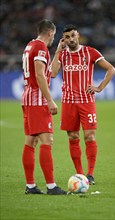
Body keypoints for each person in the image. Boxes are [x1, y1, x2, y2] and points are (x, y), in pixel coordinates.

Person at [51, 24, 115, 185]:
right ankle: (80, 174)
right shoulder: (62, 55)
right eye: (67, 37)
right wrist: (58, 50)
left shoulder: (90, 52)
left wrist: (100, 87)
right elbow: (52, 74)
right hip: (68, 102)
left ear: (78, 35)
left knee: (89, 136)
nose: (71, 39)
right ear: (63, 39)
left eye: (73, 35)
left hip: (87, 102)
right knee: (73, 136)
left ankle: (90, 173)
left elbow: (111, 69)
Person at [21, 19, 67, 195]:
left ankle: (31, 186)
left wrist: (57, 53)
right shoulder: (40, 48)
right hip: (38, 99)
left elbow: (52, 73)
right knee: (47, 141)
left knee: (30, 142)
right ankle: (51, 186)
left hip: (28, 98)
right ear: (51, 33)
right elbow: (40, 75)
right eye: (54, 35)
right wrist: (49, 100)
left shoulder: (30, 45)